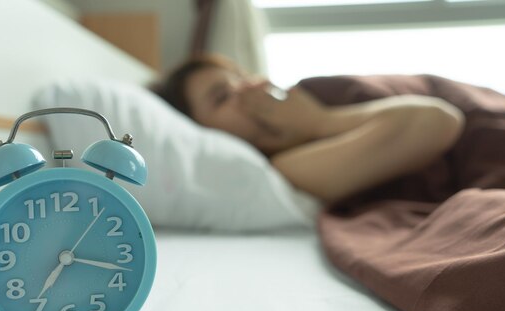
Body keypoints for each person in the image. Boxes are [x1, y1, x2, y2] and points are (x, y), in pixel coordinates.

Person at [152, 54, 465, 203]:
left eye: (241, 76)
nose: (249, 89)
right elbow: (437, 122)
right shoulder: (285, 166)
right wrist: (319, 122)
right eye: (223, 97)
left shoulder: (306, 96)